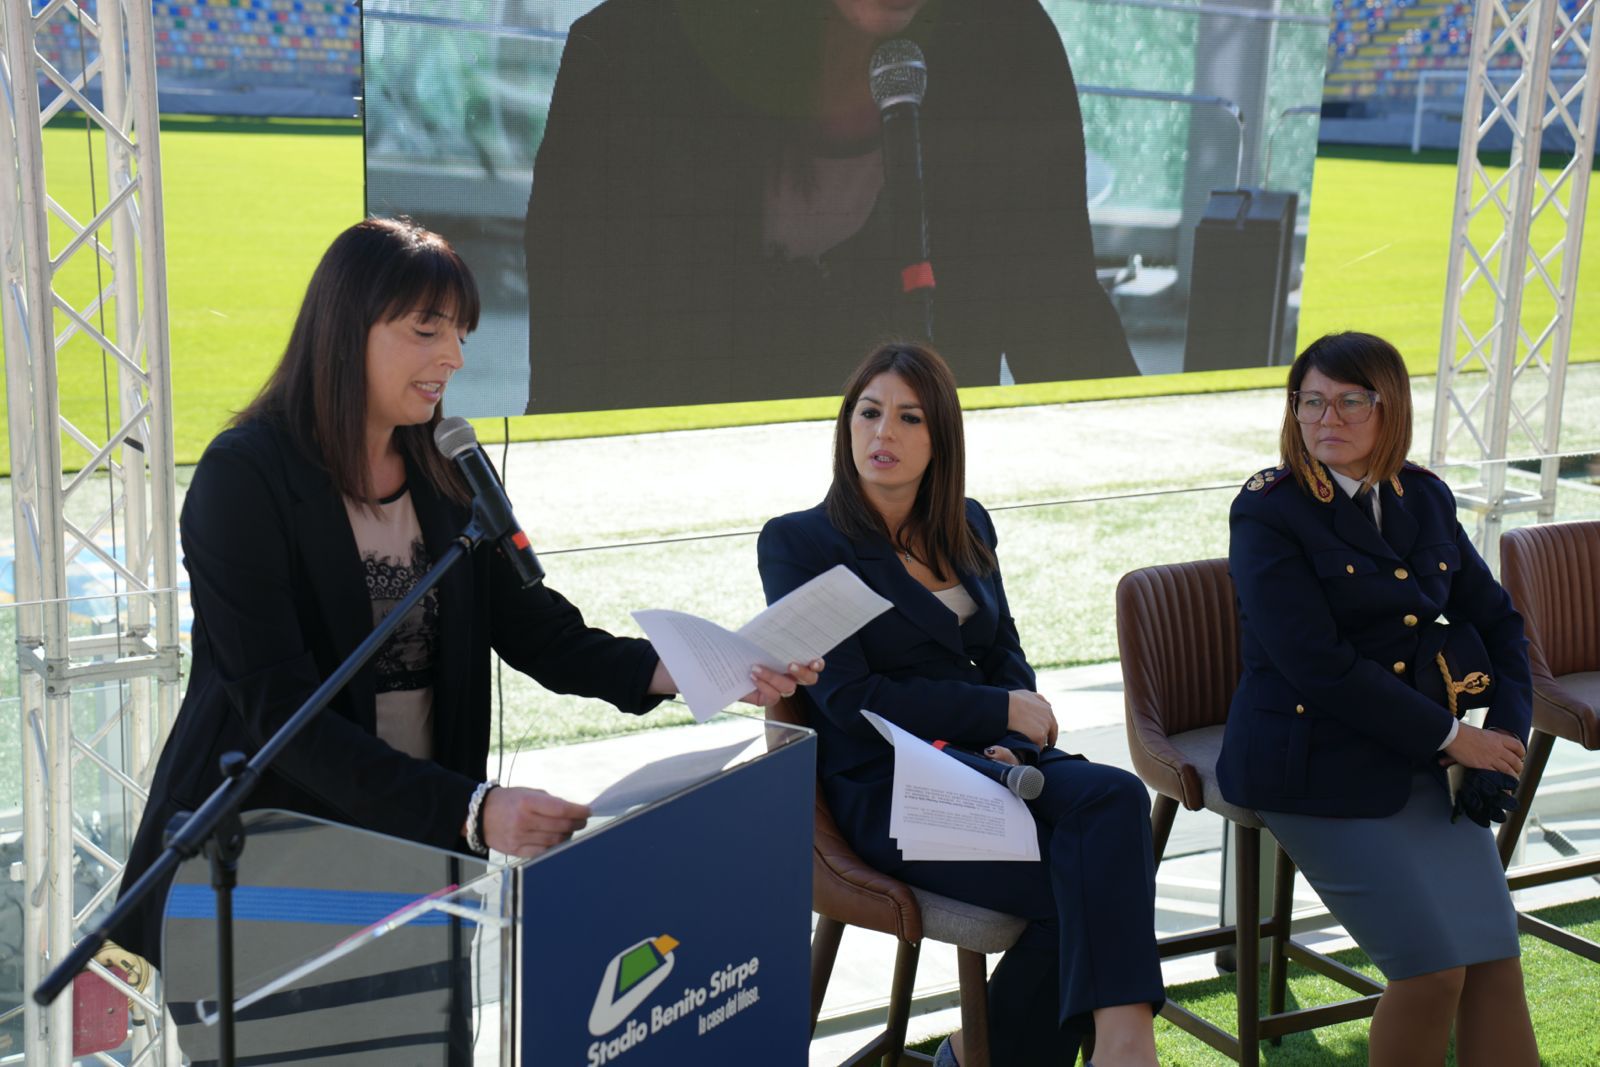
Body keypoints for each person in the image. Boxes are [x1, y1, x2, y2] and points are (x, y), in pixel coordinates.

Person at [111, 217, 817, 969]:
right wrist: (472, 809)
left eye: (459, 335)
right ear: (346, 330)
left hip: (420, 853)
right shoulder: (244, 477)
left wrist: (696, 668)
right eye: (427, 330)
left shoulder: (449, 470)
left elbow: (541, 633)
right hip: (271, 860)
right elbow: (279, 710)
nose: (452, 356)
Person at [757, 342, 1161, 1066]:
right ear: (846, 425)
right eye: (869, 413)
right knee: (1088, 884)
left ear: (940, 435)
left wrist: (1019, 742)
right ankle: (1106, 1049)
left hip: (991, 763)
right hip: (885, 787)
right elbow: (849, 698)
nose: (883, 432)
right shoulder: (800, 542)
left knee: (1116, 800)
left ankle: (1110, 1044)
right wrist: (995, 714)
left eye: (909, 417)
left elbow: (1005, 653)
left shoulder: (967, 522)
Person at [523, 0, 1135, 414]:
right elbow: (572, 380)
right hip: (679, 511)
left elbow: (1063, 330)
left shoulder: (1005, 46)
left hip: (915, 531)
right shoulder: (628, 53)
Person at [1218, 332, 1539, 1066]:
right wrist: (1457, 739)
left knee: (1494, 962)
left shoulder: (1421, 496)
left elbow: (1501, 623)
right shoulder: (1269, 511)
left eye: (1349, 401)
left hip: (1417, 752)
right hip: (1310, 761)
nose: (1326, 417)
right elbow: (1319, 667)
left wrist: (1503, 743)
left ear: (1389, 407)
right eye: (1311, 401)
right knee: (1432, 973)